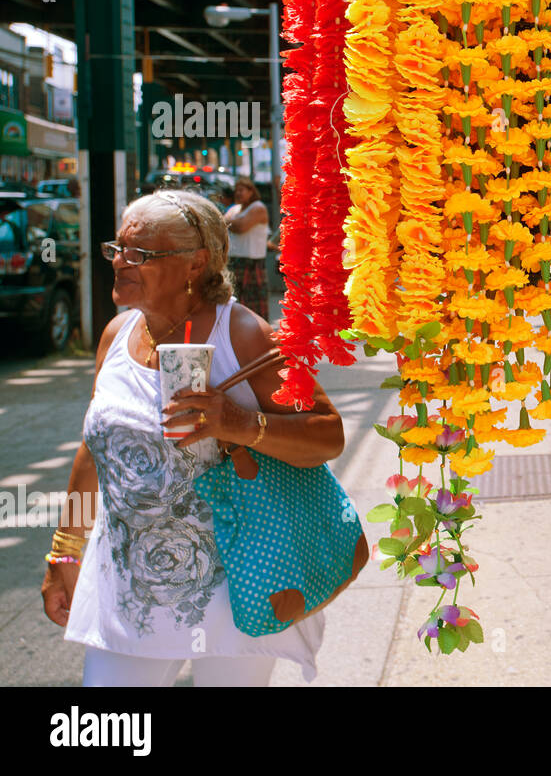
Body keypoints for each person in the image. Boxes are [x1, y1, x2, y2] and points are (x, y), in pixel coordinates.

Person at [40, 189, 345, 686]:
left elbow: (327, 435)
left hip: (235, 586)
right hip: (130, 592)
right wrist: (65, 551)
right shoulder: (117, 333)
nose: (120, 262)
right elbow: (94, 454)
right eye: (116, 249)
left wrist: (239, 424)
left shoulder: (242, 334)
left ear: (195, 262)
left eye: (140, 254)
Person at [223, 178, 269, 319]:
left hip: (252, 263)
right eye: (236, 190)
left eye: (242, 190)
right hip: (234, 262)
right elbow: (223, 225)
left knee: (253, 307)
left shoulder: (258, 207)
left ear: (251, 191)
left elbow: (241, 227)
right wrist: (231, 222)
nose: (238, 193)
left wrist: (227, 221)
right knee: (234, 303)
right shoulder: (234, 209)